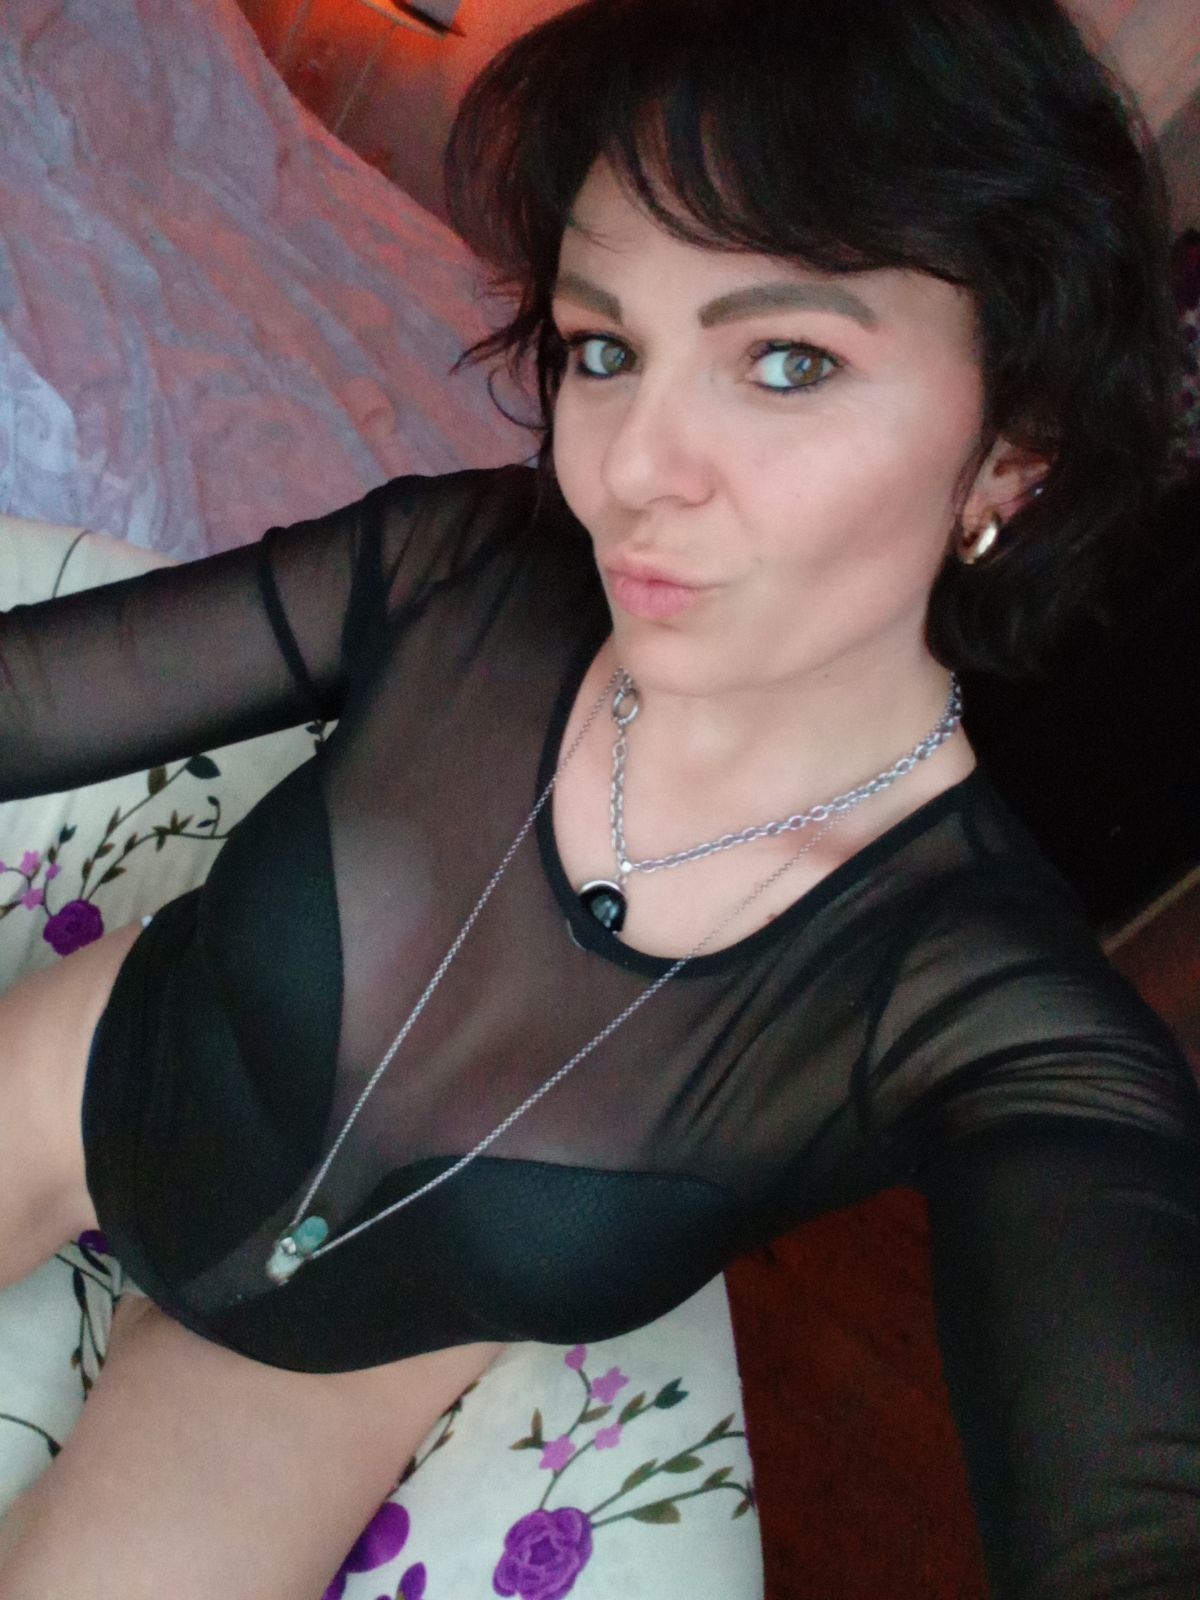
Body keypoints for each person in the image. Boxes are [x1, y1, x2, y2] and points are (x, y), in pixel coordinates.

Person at [1, 0, 1198, 1592]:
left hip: (314, 1376)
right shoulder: (466, 572)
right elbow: (28, 697)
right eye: (605, 349)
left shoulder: (970, 1000)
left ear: (1012, 454)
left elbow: (1135, 1513)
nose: (634, 467)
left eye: (787, 360)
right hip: (84, 1083)